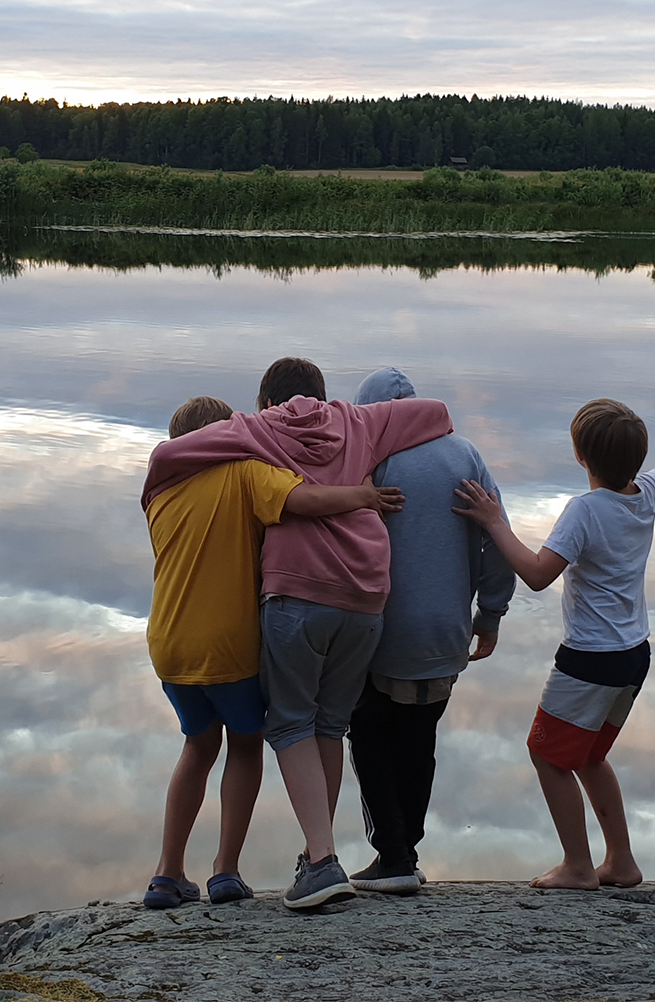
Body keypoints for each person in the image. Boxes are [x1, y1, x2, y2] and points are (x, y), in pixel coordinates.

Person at [140, 358, 454, 910]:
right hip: (300, 619)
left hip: (175, 643)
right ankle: (239, 870)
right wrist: (361, 487)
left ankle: (171, 872)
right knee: (289, 733)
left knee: (206, 744)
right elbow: (432, 416)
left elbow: (178, 478)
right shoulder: (273, 459)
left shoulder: (168, 492)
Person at [454, 365, 655, 890]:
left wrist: (494, 523)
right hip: (634, 654)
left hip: (590, 659)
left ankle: (579, 866)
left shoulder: (584, 511)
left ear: (581, 456)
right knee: (589, 755)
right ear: (636, 458)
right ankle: (621, 862)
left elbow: (537, 575)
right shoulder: (645, 494)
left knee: (545, 753)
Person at [345, 368, 516, 896]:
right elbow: (496, 540)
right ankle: (406, 852)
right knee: (419, 740)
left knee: (369, 734)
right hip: (444, 631)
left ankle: (393, 854)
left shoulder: (369, 460)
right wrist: (490, 614)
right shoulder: (465, 456)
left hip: (378, 630)